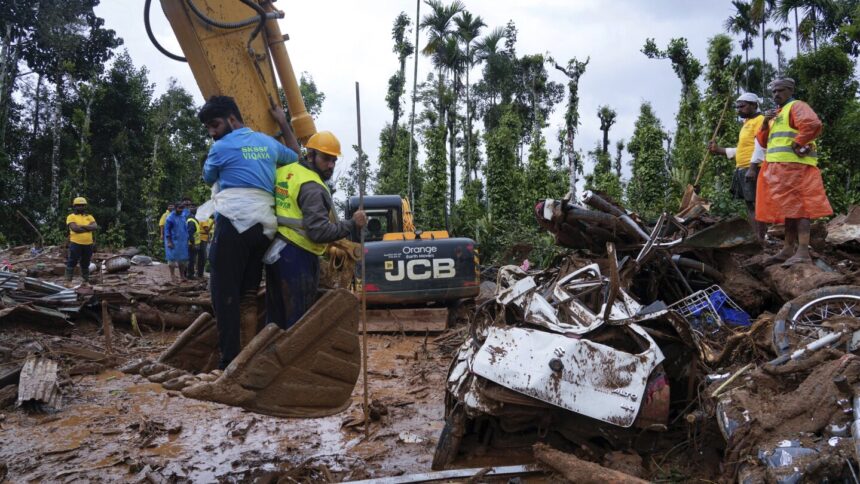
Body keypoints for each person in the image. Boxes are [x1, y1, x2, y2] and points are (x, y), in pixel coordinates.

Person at [199, 95, 300, 369]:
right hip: (263, 229)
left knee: (223, 295)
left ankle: (229, 363)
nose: (212, 132)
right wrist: (283, 123)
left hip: (233, 224)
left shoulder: (219, 149)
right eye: (208, 127)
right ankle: (250, 357)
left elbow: (209, 177)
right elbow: (296, 157)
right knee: (247, 296)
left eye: (215, 125)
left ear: (232, 119)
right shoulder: (268, 143)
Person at [266, 131, 367, 330]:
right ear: (310, 155)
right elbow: (319, 233)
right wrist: (352, 223)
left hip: (276, 252)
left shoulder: (286, 172)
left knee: (275, 320)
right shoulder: (312, 186)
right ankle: (294, 361)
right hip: (297, 255)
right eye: (325, 159)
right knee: (298, 322)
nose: (330, 165)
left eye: (333, 161)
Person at [755, 78, 832, 266]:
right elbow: (764, 142)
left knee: (800, 208)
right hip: (781, 168)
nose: (775, 95)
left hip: (795, 167)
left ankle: (803, 251)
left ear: (790, 90)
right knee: (790, 209)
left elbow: (812, 124)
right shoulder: (776, 114)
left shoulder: (797, 106)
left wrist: (798, 143)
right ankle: (788, 249)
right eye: (773, 92)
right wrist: (765, 123)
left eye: (780, 91)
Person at [708, 93, 767, 242]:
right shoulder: (747, 122)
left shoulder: (760, 121)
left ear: (754, 105)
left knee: (755, 204)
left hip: (754, 167)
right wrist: (719, 150)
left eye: (742, 106)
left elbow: (761, 146)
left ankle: (759, 239)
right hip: (744, 167)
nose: (739, 109)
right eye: (737, 107)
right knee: (750, 204)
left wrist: (753, 168)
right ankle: (757, 237)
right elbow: (743, 149)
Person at [65, 197, 99, 284]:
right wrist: (88, 228)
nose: (81, 207)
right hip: (75, 243)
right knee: (72, 260)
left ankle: (85, 280)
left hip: (88, 244)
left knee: (85, 262)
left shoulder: (89, 216)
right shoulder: (71, 216)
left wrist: (81, 226)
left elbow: (95, 227)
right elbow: (75, 228)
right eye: (79, 205)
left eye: (83, 205)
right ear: (74, 206)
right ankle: (68, 280)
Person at [164, 202, 190, 282]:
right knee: (172, 260)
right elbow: (167, 231)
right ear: (175, 208)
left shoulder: (183, 216)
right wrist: (169, 242)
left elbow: (185, 228)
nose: (181, 210)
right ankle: (172, 275)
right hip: (173, 241)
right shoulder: (170, 218)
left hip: (182, 242)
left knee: (182, 260)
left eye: (182, 208)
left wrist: (187, 238)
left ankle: (182, 276)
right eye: (180, 208)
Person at [185, 205, 200, 279]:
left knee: (191, 259)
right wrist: (193, 243)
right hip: (192, 244)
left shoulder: (193, 219)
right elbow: (190, 233)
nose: (196, 209)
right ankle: (190, 275)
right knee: (191, 260)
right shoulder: (191, 220)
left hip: (194, 243)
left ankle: (188, 274)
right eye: (194, 208)